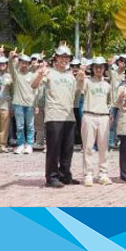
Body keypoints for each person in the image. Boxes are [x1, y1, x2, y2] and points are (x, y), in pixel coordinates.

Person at [32, 45, 79, 188]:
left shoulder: (71, 76)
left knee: (68, 148)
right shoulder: (49, 73)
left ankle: (65, 175)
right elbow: (34, 85)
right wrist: (40, 75)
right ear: (56, 58)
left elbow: (76, 95)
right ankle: (51, 177)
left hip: (69, 115)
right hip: (53, 115)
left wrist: (81, 80)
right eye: (61, 57)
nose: (64, 59)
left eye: (67, 57)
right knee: (54, 149)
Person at [79, 57, 112, 186]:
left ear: (104, 69)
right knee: (88, 147)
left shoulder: (107, 85)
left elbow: (110, 101)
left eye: (101, 67)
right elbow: (80, 87)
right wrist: (81, 74)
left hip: (104, 116)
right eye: (96, 67)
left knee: (104, 147)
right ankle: (88, 174)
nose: (98, 69)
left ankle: (103, 173)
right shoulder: (87, 82)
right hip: (89, 115)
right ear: (92, 68)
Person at [8, 52, 36, 155]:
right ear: (19, 63)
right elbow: (10, 67)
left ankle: (29, 145)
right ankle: (20, 144)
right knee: (20, 126)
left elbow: (35, 90)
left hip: (30, 104)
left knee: (30, 125)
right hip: (18, 103)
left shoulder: (32, 75)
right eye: (22, 63)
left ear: (29, 64)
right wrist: (11, 57)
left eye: (26, 63)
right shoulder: (16, 74)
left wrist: (35, 104)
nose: (24, 65)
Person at [109, 54, 126, 150]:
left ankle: (118, 141)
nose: (122, 63)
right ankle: (110, 142)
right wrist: (109, 64)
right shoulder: (113, 73)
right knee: (111, 123)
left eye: (124, 61)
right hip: (113, 103)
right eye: (120, 61)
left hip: (122, 104)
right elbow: (106, 72)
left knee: (120, 123)